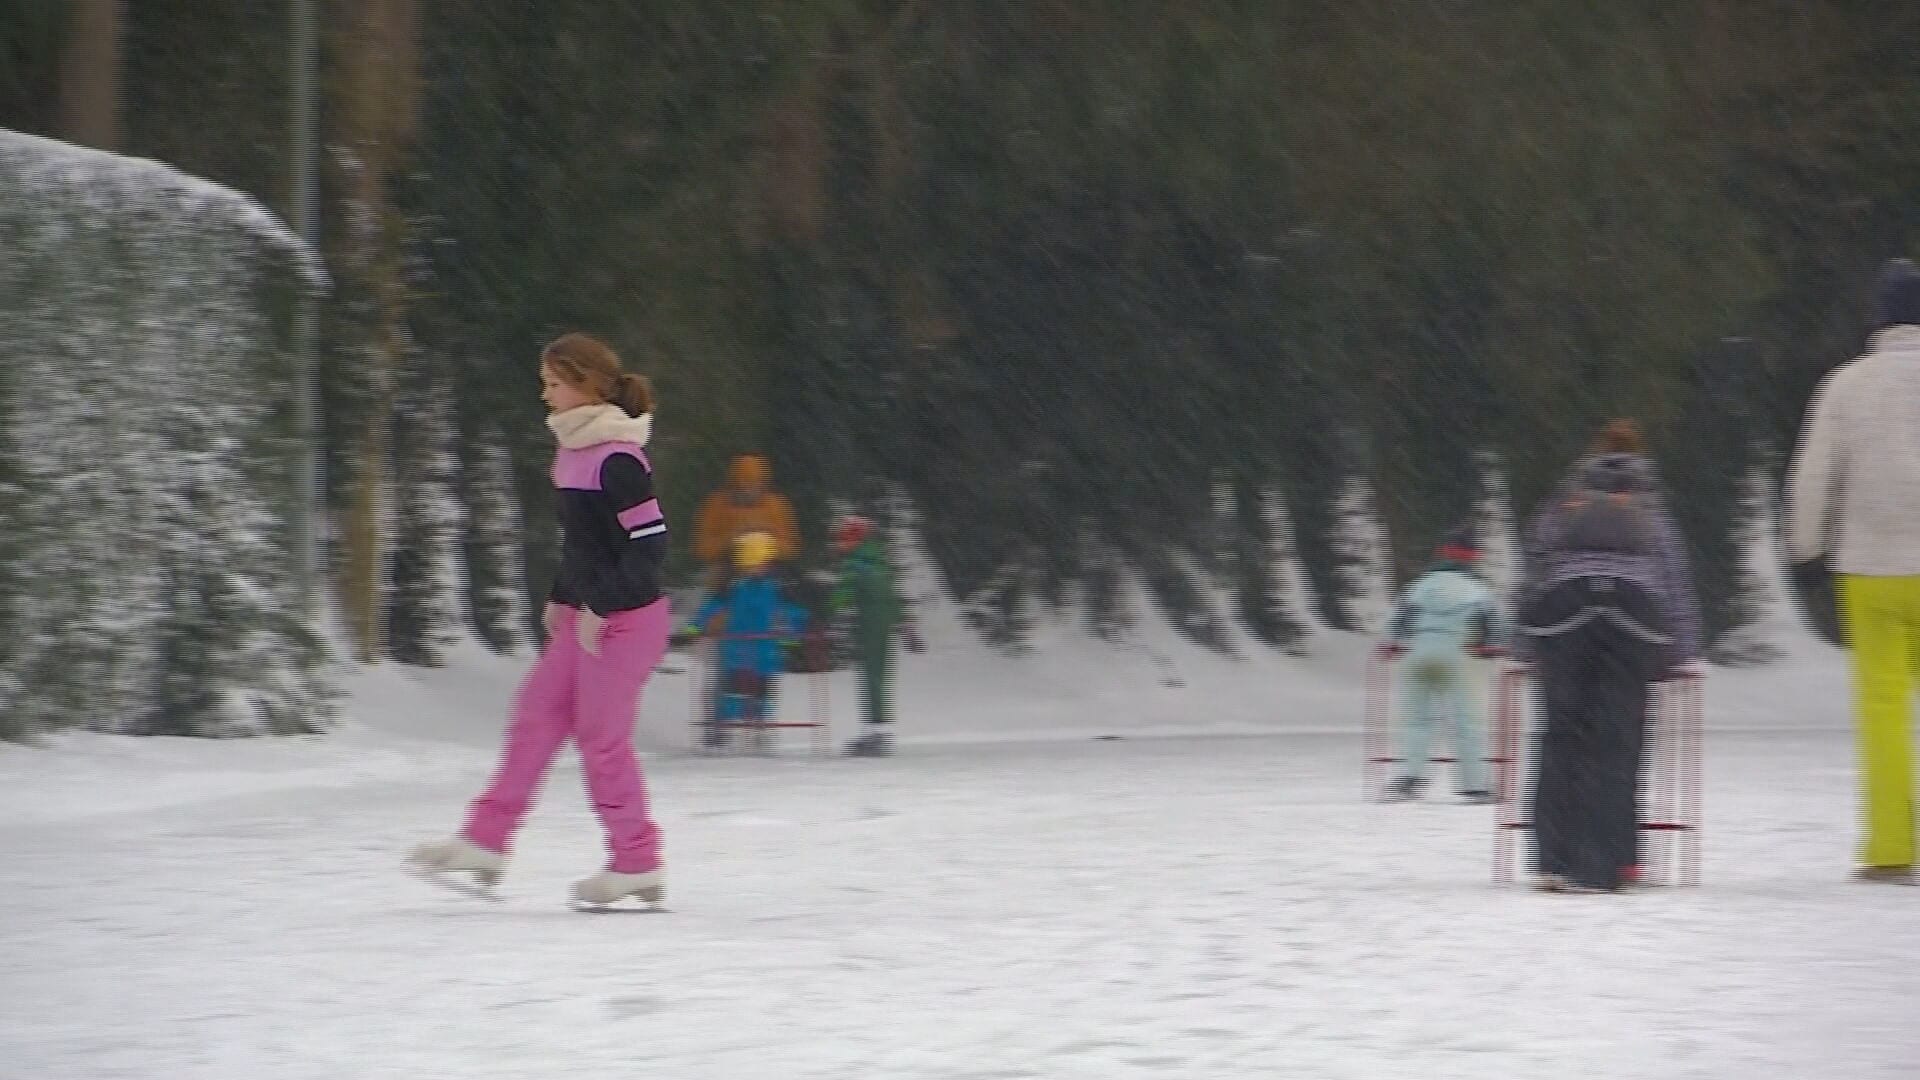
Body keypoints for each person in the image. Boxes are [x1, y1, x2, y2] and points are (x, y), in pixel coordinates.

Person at [407, 333, 673, 908]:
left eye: (554, 382)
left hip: (626, 620)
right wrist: (563, 596)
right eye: (544, 381)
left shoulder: (619, 457)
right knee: (535, 720)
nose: (545, 392)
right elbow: (583, 543)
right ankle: (485, 839)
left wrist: (604, 605)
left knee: (603, 741)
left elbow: (649, 544)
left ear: (585, 385)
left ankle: (637, 862)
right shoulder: (574, 452)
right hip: (585, 616)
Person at [1514, 419, 1701, 894]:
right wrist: (1681, 652)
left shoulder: (1565, 502)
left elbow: (1534, 565)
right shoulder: (1649, 507)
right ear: (1641, 457)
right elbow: (1674, 579)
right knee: (1617, 740)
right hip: (1633, 614)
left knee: (1560, 736)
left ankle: (1552, 858)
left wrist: (1522, 643)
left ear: (1592, 456)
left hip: (1563, 611)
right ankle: (1607, 862)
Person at [1786, 257, 1920, 884]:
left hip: (1872, 570)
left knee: (1884, 709)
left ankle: (1892, 847)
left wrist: (1805, 543)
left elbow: (1813, 475)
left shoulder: (1845, 388)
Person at [1375, 526, 1506, 804]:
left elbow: (1396, 623)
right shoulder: (1479, 590)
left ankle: (1410, 777)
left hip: (1419, 655)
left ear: (1441, 554)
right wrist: (1492, 648)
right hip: (1460, 656)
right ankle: (1475, 785)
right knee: (1466, 722)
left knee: (1416, 720)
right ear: (1474, 556)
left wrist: (1391, 645)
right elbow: (1495, 630)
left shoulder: (1418, 586)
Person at [677, 531, 810, 751]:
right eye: (750, 565)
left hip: (765, 653)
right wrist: (692, 630)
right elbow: (710, 608)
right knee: (730, 692)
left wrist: (792, 639)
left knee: (762, 693)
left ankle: (760, 730)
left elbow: (792, 614)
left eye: (759, 564)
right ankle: (722, 731)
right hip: (736, 650)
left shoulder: (776, 588)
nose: (755, 569)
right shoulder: (735, 588)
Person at [829, 514, 922, 757]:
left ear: (855, 539)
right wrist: (905, 625)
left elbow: (844, 594)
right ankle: (880, 730)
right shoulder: (881, 565)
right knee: (880, 678)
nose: (841, 542)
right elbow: (894, 599)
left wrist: (838, 618)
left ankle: (874, 732)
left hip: (867, 627)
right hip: (884, 629)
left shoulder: (853, 565)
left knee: (870, 678)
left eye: (845, 538)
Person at [694, 455, 801, 584]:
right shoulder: (717, 504)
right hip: (727, 574)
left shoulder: (776, 505)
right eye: (741, 487)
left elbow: (791, 548)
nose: (747, 491)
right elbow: (703, 549)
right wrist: (732, 538)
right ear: (732, 484)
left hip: (769, 573)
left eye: (753, 485)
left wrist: (764, 539)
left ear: (763, 484)